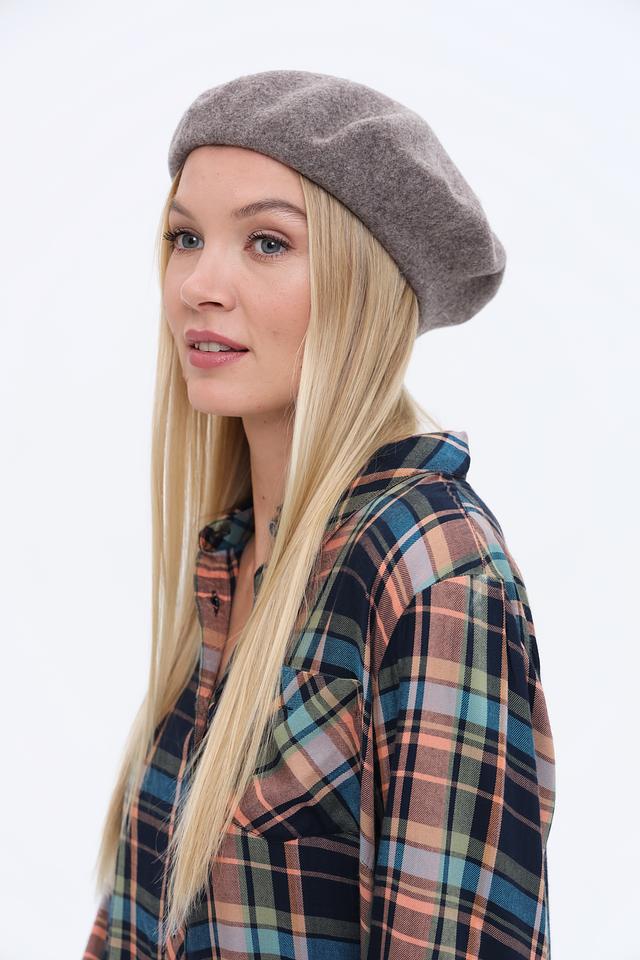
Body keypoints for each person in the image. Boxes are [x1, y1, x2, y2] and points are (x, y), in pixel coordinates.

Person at [82, 70, 556, 960]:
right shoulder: (232, 556)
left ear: (362, 286)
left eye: (267, 242)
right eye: (186, 237)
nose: (199, 285)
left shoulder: (432, 568)